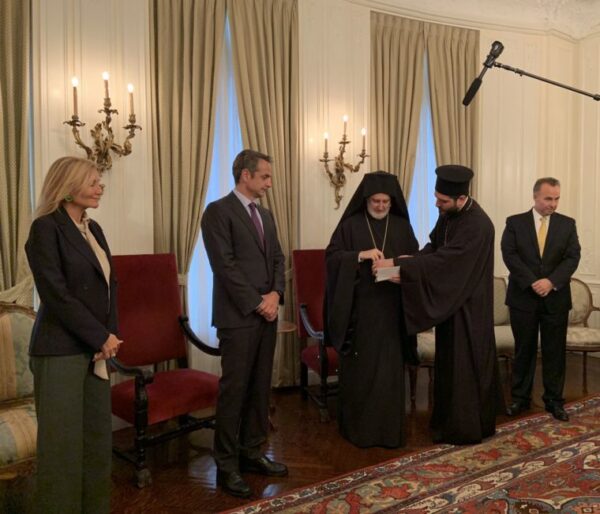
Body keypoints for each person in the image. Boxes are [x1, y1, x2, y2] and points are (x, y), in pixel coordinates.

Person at [373, 165, 501, 445]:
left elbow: (446, 261)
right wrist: (405, 262)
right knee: (449, 367)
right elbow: (433, 248)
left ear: (461, 198)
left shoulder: (478, 225)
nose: (436, 204)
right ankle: (446, 424)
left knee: (465, 367)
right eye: (435, 197)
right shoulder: (449, 216)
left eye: (442, 200)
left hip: (469, 309)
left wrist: (402, 267)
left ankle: (467, 429)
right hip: (452, 302)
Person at [25, 156, 121, 514]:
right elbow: (56, 294)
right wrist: (99, 336)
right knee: (61, 451)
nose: (100, 188)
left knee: (96, 443)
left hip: (96, 350)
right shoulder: (45, 229)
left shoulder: (94, 229)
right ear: (67, 186)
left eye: (100, 182)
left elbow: (110, 286)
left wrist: (110, 337)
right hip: (59, 351)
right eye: (93, 182)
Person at [201, 149, 287, 498]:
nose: (269, 183)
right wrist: (257, 302)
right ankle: (226, 465)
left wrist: (276, 295)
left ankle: (252, 452)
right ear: (245, 175)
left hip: (267, 313)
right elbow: (224, 266)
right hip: (237, 317)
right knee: (234, 391)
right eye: (265, 176)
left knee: (260, 387)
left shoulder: (266, 215)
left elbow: (278, 259)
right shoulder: (217, 212)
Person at [325, 171, 419, 448]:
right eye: (375, 201)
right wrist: (359, 255)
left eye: (385, 202)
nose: (380, 206)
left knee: (389, 374)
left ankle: (389, 433)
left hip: (392, 310)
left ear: (392, 202)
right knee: (362, 373)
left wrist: (398, 267)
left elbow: (416, 260)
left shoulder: (402, 226)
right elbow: (331, 258)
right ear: (366, 200)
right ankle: (359, 432)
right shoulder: (350, 225)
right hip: (360, 313)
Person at [501, 177, 580, 422]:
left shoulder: (567, 224)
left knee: (554, 352)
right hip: (523, 298)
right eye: (548, 199)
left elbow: (572, 257)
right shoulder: (515, 223)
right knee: (524, 350)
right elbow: (509, 254)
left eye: (557, 199)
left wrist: (551, 281)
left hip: (555, 298)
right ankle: (520, 399)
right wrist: (533, 282)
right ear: (535, 196)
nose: (553, 204)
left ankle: (554, 401)